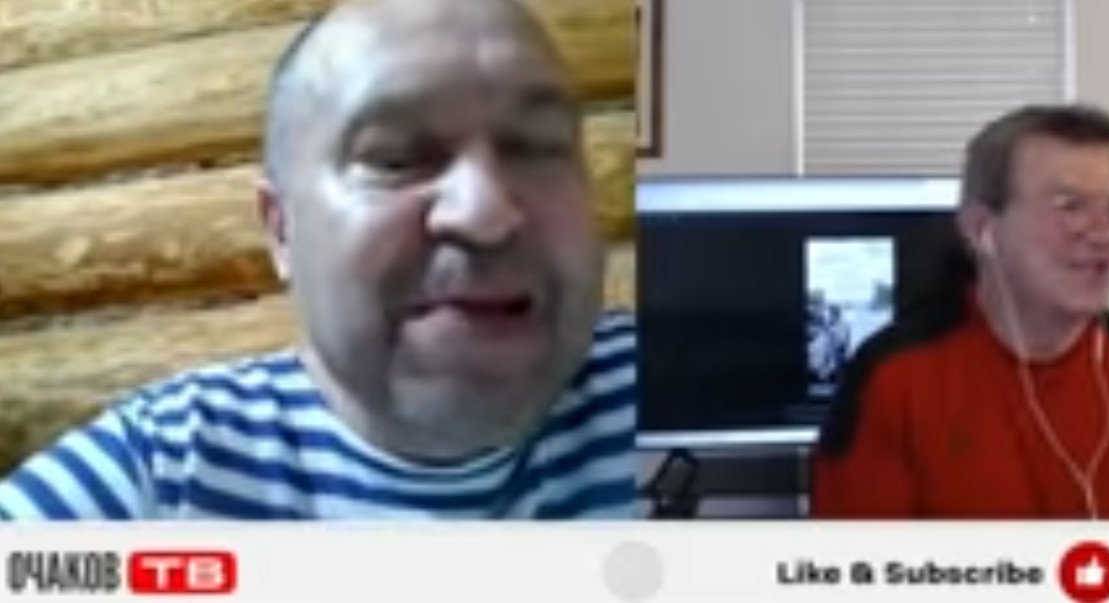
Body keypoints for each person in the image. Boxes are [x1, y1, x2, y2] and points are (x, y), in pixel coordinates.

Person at [0, 0, 636, 519]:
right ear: (282, 231)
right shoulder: (165, 472)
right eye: (394, 157)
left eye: (538, 146)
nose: (484, 212)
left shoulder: (674, 386)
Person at [812, 104, 1109, 518]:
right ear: (981, 228)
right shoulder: (894, 378)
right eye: (1069, 205)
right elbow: (852, 556)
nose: (1106, 233)